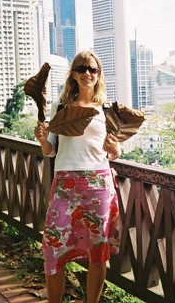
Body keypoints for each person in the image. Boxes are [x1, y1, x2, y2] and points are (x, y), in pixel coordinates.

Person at [34, 51, 121, 303]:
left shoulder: (106, 109)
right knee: (53, 248)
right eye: (81, 69)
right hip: (65, 186)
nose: (87, 74)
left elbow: (115, 151)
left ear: (98, 74)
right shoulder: (59, 107)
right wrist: (42, 139)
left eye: (92, 69)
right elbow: (49, 151)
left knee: (98, 251)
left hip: (98, 185)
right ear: (73, 73)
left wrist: (114, 149)